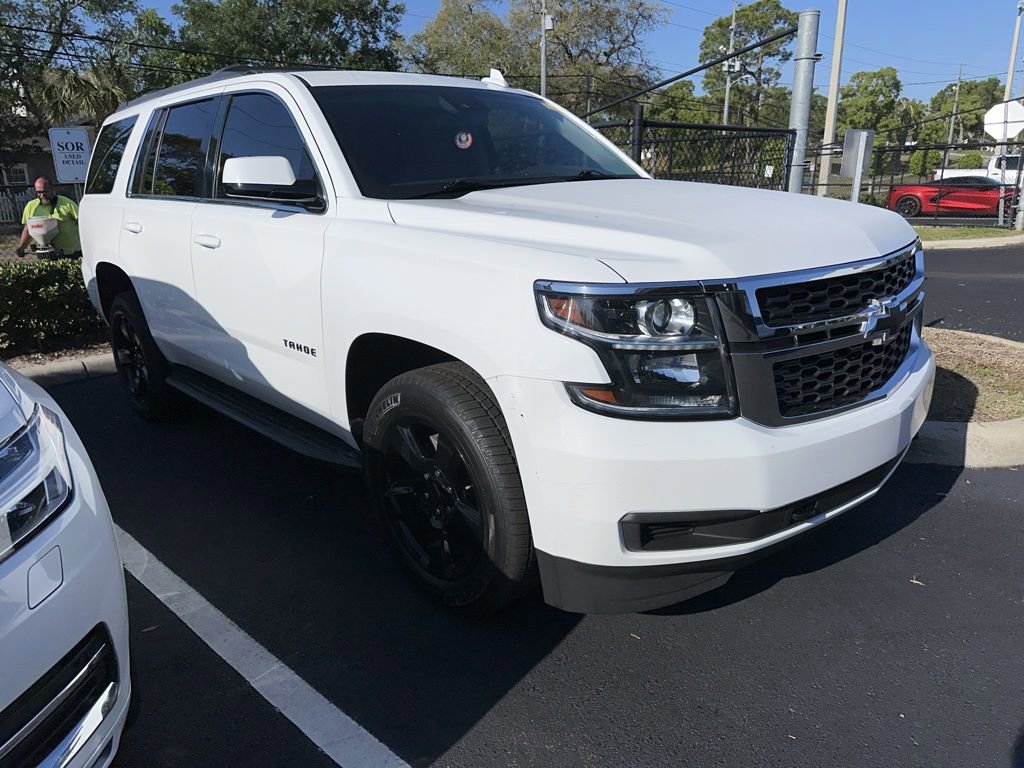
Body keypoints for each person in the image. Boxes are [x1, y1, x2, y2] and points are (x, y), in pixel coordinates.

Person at [15, 177, 82, 259]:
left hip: (71, 253)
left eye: (45, 192)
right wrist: (22, 248)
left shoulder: (67, 204)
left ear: (52, 189)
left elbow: (82, 222)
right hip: (45, 254)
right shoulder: (31, 207)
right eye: (39, 192)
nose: (42, 195)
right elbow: (28, 229)